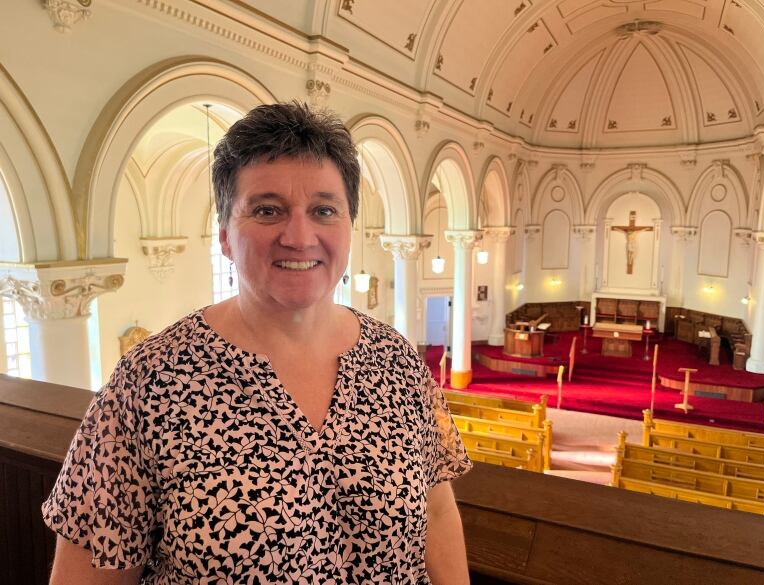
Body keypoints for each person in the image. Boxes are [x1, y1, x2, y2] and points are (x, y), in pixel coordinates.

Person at [42, 101, 472, 584]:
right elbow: (89, 572)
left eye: (323, 210)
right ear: (225, 233)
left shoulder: (396, 360)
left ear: (349, 227)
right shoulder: (149, 381)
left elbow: (436, 511)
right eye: (267, 210)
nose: (299, 236)